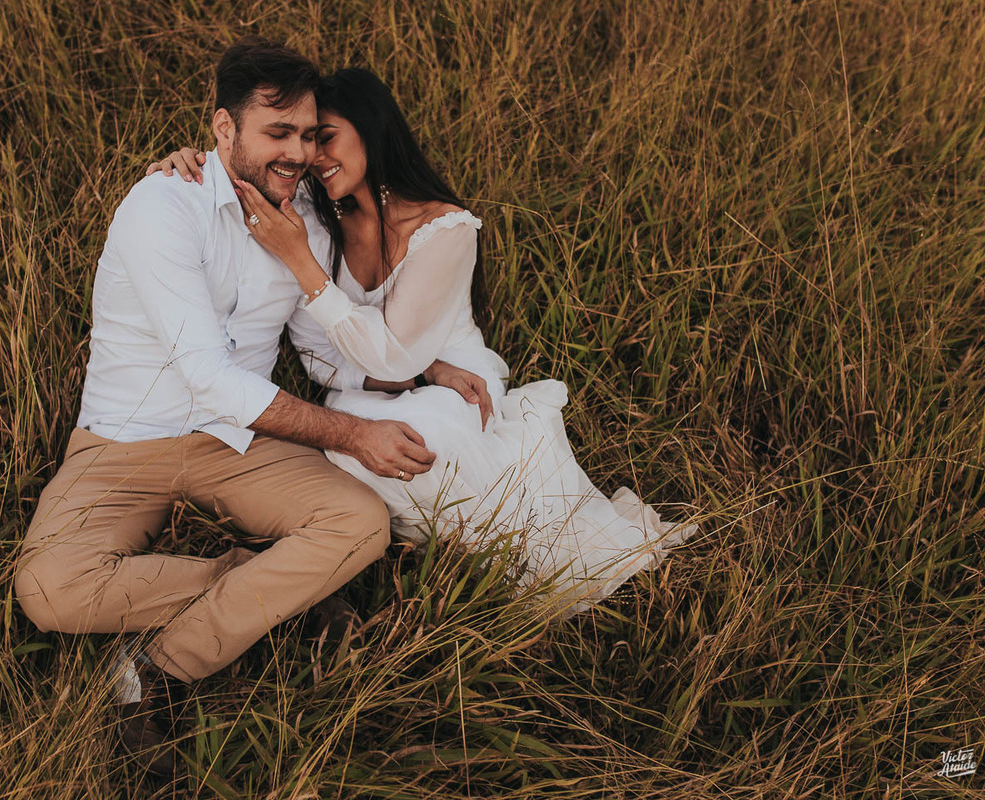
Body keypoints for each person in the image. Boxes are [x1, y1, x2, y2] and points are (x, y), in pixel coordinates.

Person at [13, 41, 490, 779]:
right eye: (277, 133)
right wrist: (352, 434)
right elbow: (207, 376)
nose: (297, 153)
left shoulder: (305, 224)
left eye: (306, 133)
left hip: (238, 443)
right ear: (224, 128)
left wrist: (422, 367)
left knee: (359, 525)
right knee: (47, 590)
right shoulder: (161, 206)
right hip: (121, 444)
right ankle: (262, 581)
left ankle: (156, 668)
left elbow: (321, 351)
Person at [148, 68, 697, 621]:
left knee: (427, 437)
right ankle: (390, 549)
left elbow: (396, 354)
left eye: (325, 137)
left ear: (371, 130)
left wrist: (303, 264)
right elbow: (317, 355)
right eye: (309, 140)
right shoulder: (319, 210)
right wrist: (190, 163)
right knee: (345, 449)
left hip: (454, 378)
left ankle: (493, 559)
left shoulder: (445, 229)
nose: (312, 156)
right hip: (369, 383)